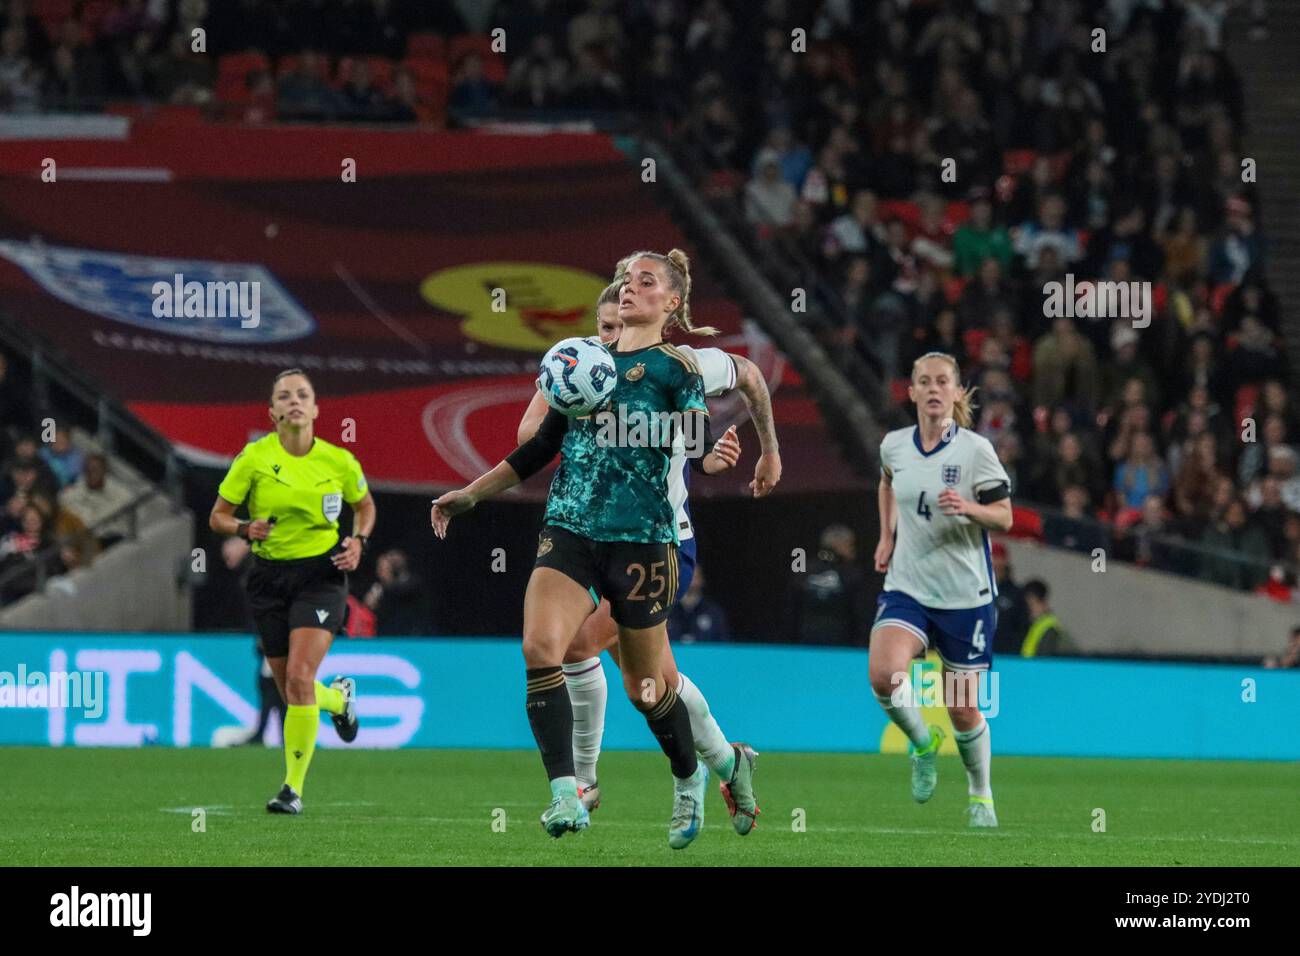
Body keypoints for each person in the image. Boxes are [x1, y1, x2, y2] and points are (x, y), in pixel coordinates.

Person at [431, 250, 751, 849]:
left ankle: (694, 775)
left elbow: (696, 437)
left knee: (649, 689)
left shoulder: (677, 369)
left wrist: (710, 456)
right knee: (541, 646)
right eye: (626, 282)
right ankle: (567, 791)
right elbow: (537, 448)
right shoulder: (580, 365)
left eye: (645, 283)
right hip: (571, 532)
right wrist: (470, 495)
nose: (630, 291)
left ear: (671, 302)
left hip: (647, 545)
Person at [514, 271, 780, 829]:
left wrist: (768, 453)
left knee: (584, 645)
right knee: (655, 682)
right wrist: (573, 398)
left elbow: (752, 376)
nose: (609, 339)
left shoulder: (682, 363)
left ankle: (582, 782)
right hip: (591, 533)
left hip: (660, 540)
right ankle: (731, 763)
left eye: (617, 326)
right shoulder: (579, 364)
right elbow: (528, 438)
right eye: (602, 329)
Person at [209, 369, 376, 814]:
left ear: (316, 409)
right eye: (285, 396)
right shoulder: (254, 458)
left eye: (303, 394)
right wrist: (245, 527)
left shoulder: (338, 461)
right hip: (268, 579)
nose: (295, 401)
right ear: (273, 411)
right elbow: (218, 516)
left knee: (300, 680)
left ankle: (291, 789)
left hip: (320, 577)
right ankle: (339, 699)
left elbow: (365, 506)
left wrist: (358, 541)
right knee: (292, 691)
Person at [871, 351, 1013, 828]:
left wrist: (971, 509)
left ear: (956, 393)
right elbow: (887, 483)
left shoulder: (976, 451)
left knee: (962, 707)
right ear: (911, 392)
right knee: (883, 675)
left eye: (943, 382)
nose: (934, 389)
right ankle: (922, 742)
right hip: (908, 586)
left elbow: (1006, 516)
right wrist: (887, 535)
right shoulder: (894, 446)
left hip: (964, 597)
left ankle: (980, 796)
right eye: (924, 382)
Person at [783, 524, 872, 645]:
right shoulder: (851, 573)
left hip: (813, 639)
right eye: (849, 545)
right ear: (838, 545)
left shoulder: (805, 568)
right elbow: (861, 612)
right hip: (830, 641)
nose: (853, 549)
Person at [667, 565, 733, 643]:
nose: (690, 581)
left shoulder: (714, 612)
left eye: (695, 577)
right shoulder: (667, 612)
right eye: (686, 577)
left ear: (702, 580)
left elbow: (725, 644)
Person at [1020, 579, 1071, 656]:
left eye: (1031, 605)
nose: (1029, 610)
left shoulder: (1049, 628)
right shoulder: (1038, 625)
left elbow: (1044, 658)